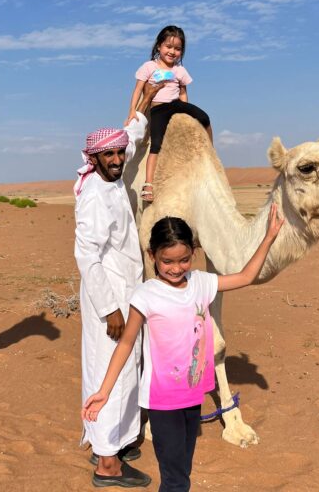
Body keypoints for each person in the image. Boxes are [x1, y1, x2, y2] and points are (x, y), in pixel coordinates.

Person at [82, 204, 284, 492]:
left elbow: (246, 277)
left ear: (193, 253)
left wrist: (268, 238)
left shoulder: (201, 283)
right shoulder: (146, 294)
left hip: (192, 396)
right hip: (162, 403)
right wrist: (104, 391)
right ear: (152, 256)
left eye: (184, 260)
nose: (176, 269)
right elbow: (126, 342)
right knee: (175, 479)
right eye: (167, 262)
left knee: (182, 472)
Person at [74, 84, 162, 489]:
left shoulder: (111, 180)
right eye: (107, 154)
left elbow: (134, 132)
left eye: (119, 152)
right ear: (92, 158)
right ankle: (107, 465)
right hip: (109, 301)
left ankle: (118, 442)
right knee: (112, 372)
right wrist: (110, 308)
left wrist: (145, 104)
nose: (116, 159)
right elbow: (87, 257)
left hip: (126, 294)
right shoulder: (94, 194)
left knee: (126, 370)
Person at [125, 25, 212, 202]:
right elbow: (137, 90)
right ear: (159, 46)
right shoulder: (149, 67)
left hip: (177, 104)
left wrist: (185, 112)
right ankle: (148, 184)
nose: (172, 51)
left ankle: (210, 153)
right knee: (156, 143)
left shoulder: (180, 70)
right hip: (158, 108)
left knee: (204, 117)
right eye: (168, 46)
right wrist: (131, 112)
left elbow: (183, 92)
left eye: (177, 48)